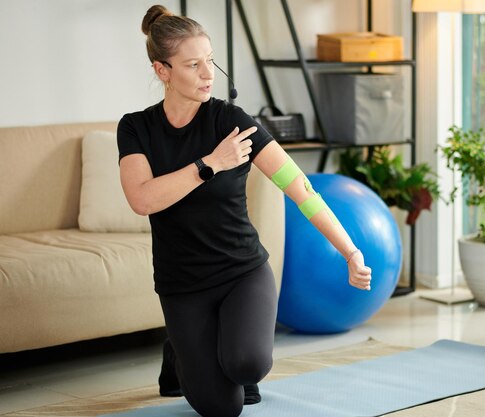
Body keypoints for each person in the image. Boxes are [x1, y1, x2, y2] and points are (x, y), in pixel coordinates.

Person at [117, 5, 372, 417]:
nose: (208, 74)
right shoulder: (135, 128)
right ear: (162, 71)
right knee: (223, 409)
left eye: (211, 61)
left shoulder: (230, 120)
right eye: (193, 65)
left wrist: (350, 251)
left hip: (241, 272)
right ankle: (180, 351)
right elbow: (142, 199)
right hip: (182, 285)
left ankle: (225, 350)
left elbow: (300, 186)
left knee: (247, 364)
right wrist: (210, 164)